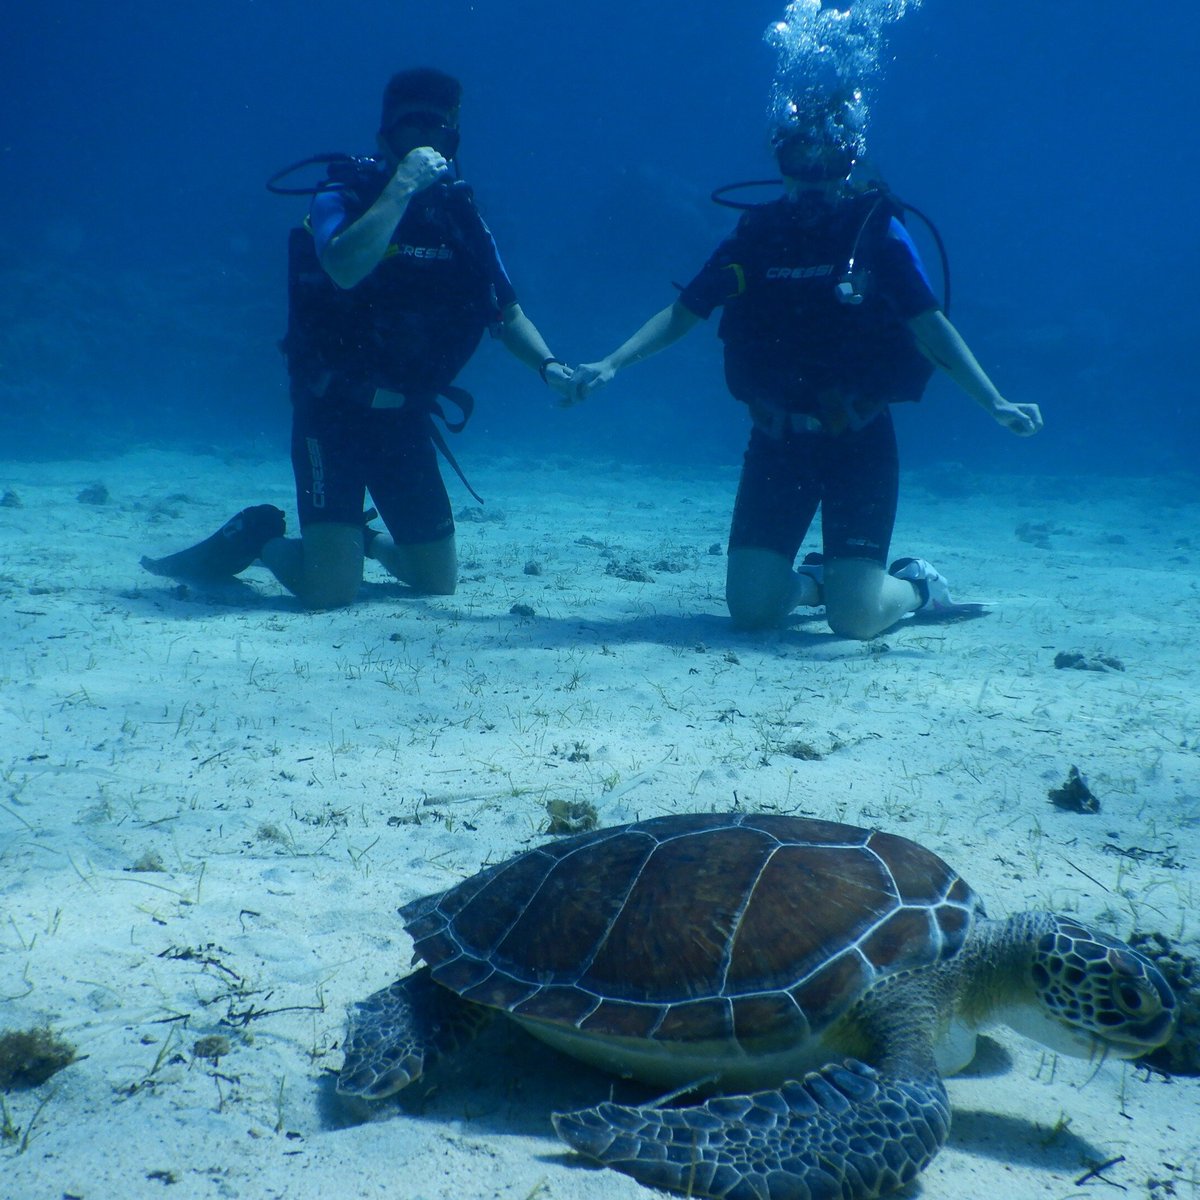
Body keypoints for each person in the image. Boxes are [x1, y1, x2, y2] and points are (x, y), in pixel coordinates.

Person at [568, 119, 1043, 639]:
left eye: (828, 165)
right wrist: (611, 361)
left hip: (859, 442)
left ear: (849, 165)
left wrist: (994, 402)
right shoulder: (757, 235)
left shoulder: (877, 233)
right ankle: (821, 581)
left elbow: (930, 326)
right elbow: (685, 312)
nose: (814, 180)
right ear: (782, 166)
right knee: (751, 612)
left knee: (856, 621)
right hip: (778, 443)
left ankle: (917, 585)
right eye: (800, 164)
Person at [142, 67, 574, 608]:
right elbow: (344, 266)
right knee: (329, 594)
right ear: (382, 138)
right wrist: (403, 186)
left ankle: (357, 541)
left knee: (436, 582)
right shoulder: (340, 194)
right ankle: (261, 537)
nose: (422, 140)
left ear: (452, 138)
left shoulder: (462, 216)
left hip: (404, 417)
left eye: (436, 130)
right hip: (333, 414)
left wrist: (550, 366)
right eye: (407, 129)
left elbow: (508, 316)